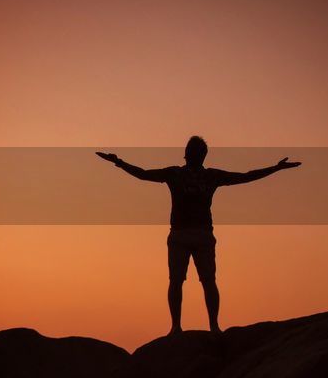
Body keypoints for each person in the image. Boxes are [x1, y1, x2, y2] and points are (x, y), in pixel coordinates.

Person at [96, 137, 300, 335]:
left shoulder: (187, 174)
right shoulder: (190, 175)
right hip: (186, 235)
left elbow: (245, 176)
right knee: (193, 281)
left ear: (188, 154)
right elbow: (245, 176)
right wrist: (119, 162)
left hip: (194, 235)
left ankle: (199, 326)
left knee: (192, 281)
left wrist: (119, 163)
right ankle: (192, 326)